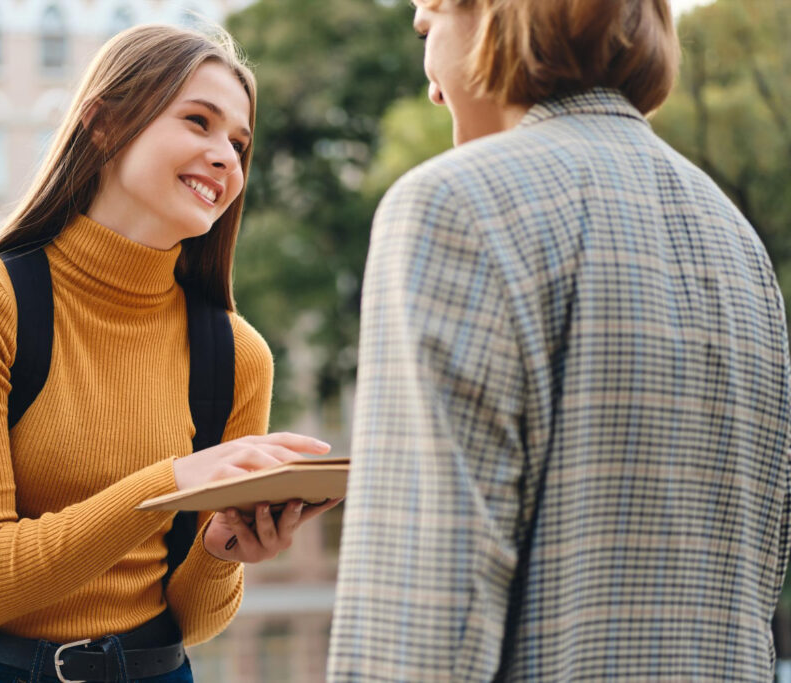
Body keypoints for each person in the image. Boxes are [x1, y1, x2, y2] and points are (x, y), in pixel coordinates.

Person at [329, 0, 791, 680]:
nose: (428, 79)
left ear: (491, 16)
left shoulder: (452, 204)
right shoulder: (738, 243)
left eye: (428, 26)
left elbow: (423, 618)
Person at [0, 24, 338, 683]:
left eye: (239, 144)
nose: (225, 158)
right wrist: (175, 481)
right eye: (199, 121)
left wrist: (220, 548)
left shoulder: (238, 353)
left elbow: (194, 618)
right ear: (103, 123)